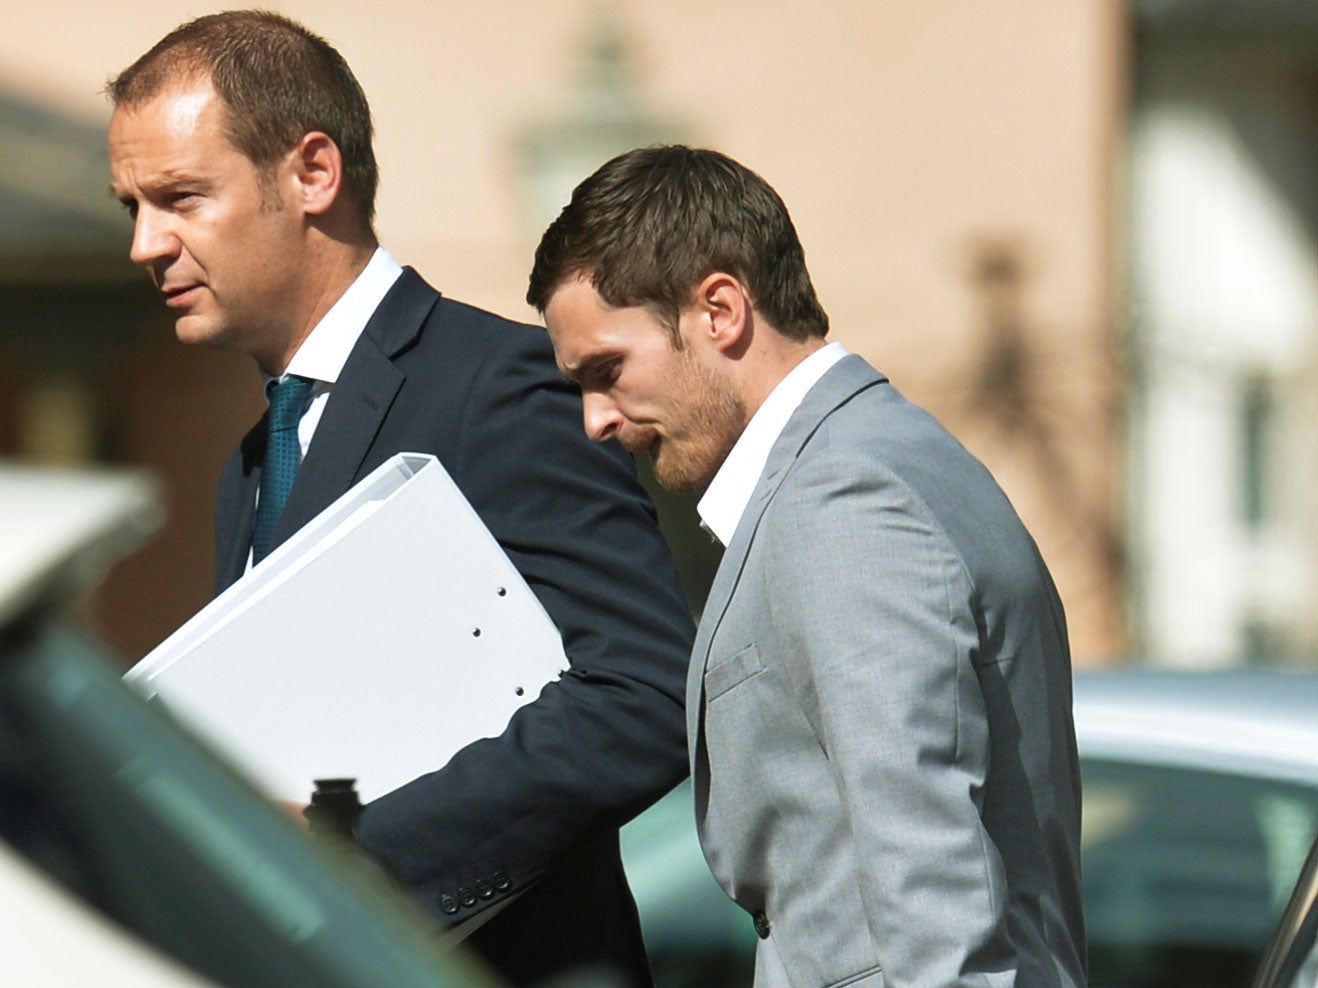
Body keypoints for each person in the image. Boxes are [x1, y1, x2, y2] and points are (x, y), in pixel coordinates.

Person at [106, 12, 695, 987]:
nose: (143, 243)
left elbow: (644, 695)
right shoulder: (249, 465)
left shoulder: (500, 385)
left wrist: (355, 853)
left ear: (313, 173)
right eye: (131, 204)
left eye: (179, 198)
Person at [528, 145, 1087, 988]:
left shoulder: (844, 497)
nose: (596, 420)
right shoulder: (883, 458)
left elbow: (929, 880)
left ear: (720, 309)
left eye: (606, 371)